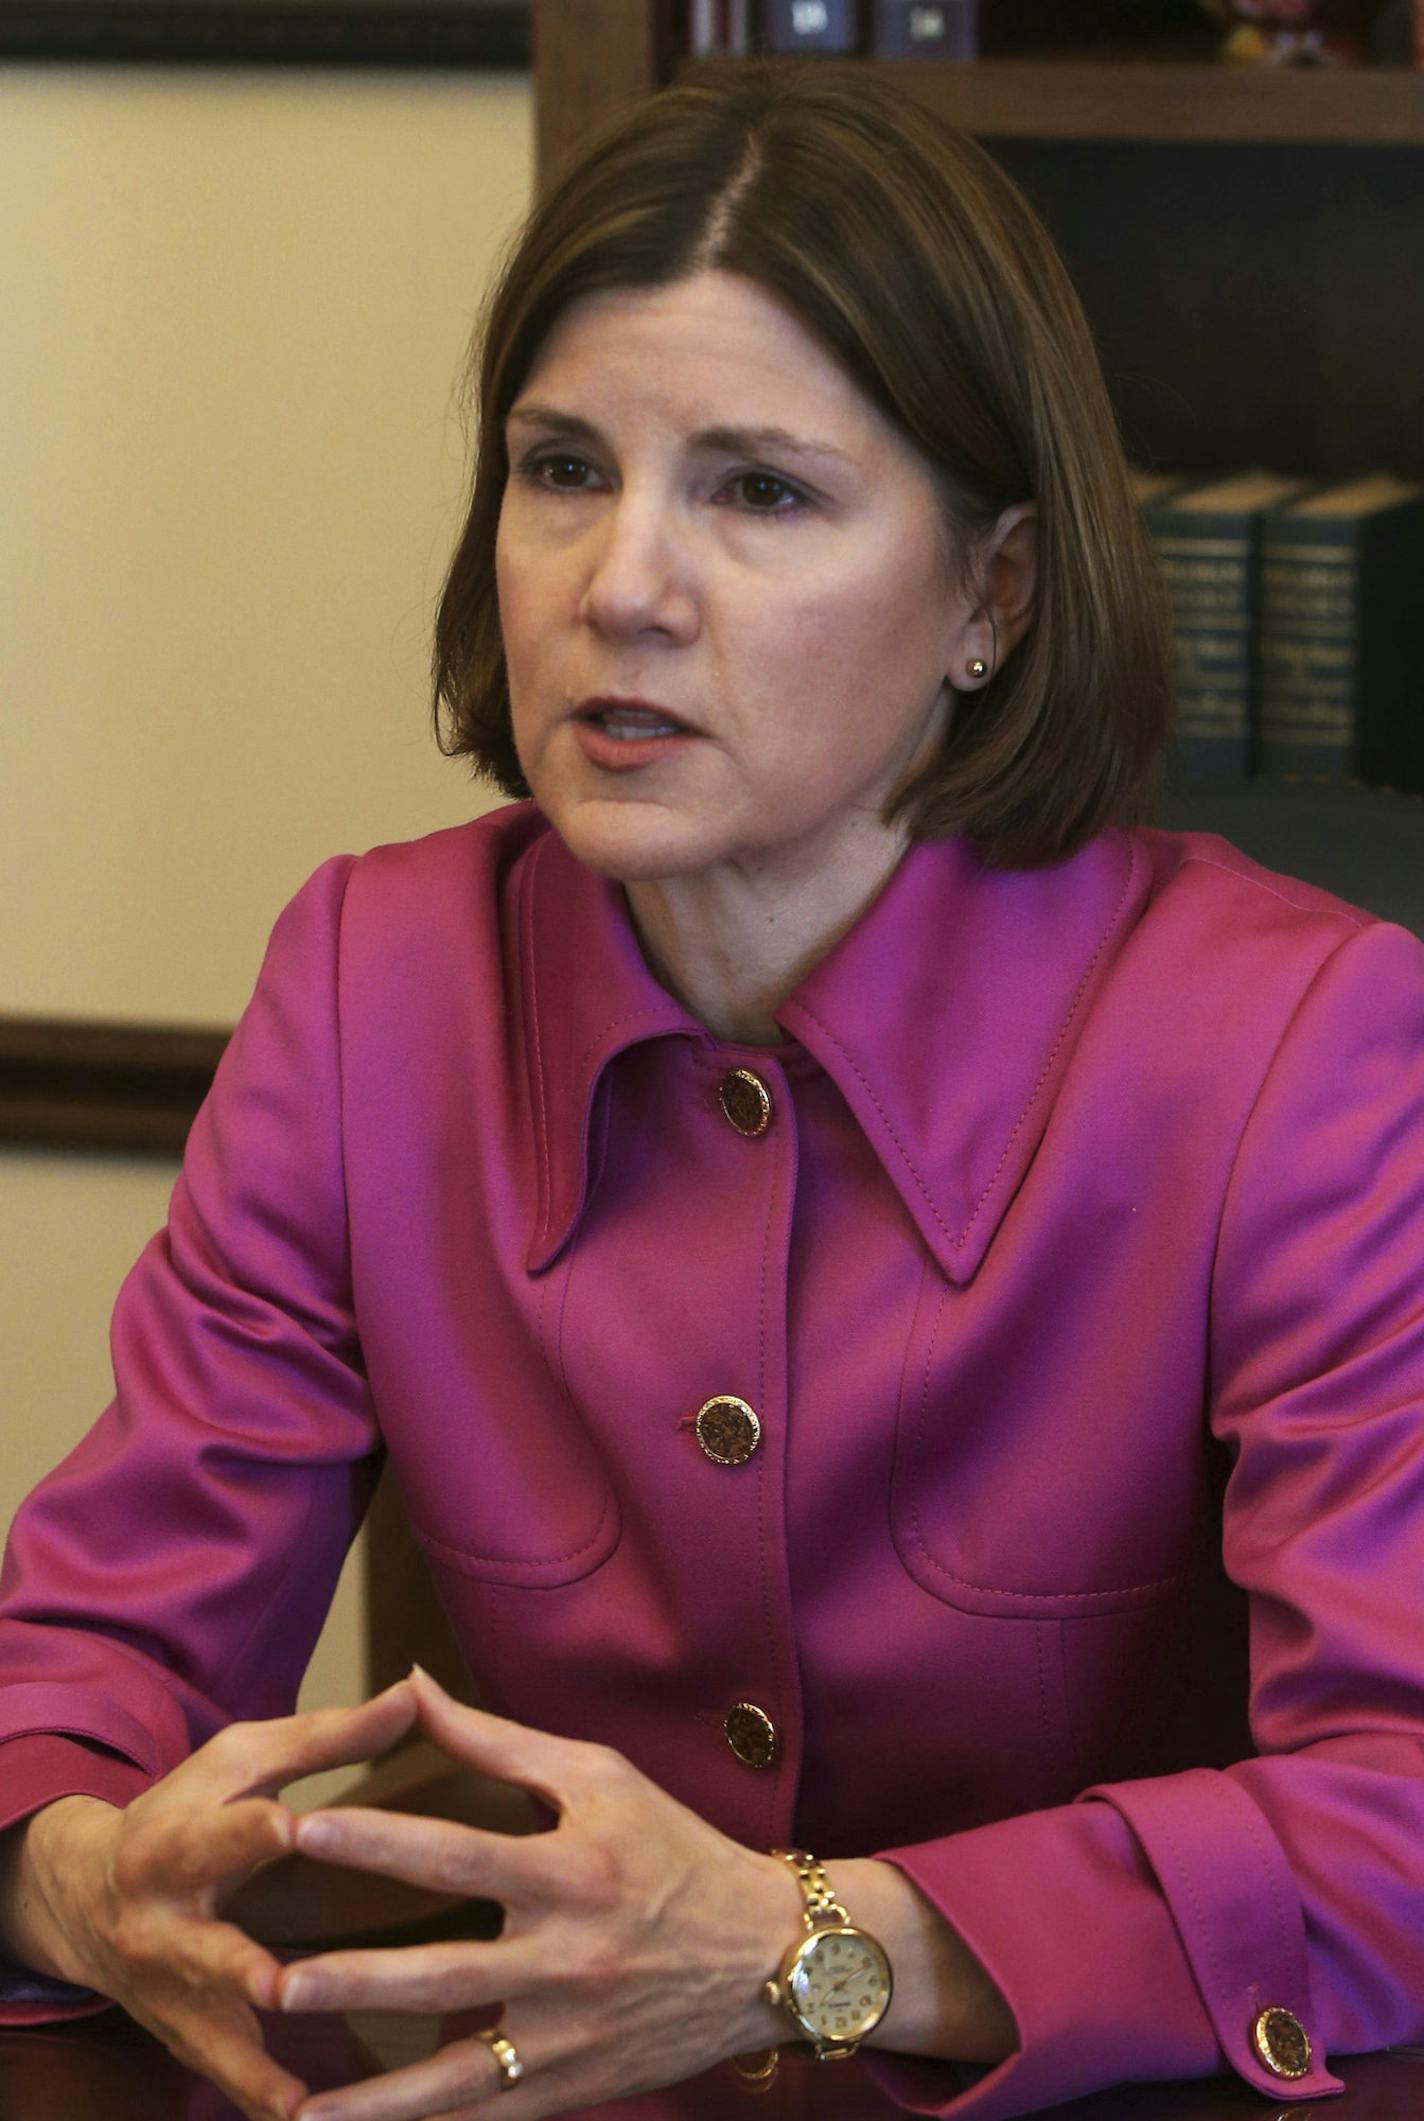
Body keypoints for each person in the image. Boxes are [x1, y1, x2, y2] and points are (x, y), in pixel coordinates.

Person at [1, 55, 1423, 2121]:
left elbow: (1400, 1813)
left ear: (992, 597)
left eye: (760, 490)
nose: (618, 586)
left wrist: (801, 1948)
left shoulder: (1298, 1043)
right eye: (561, 468)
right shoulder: (371, 979)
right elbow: (85, 1655)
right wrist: (79, 1863)